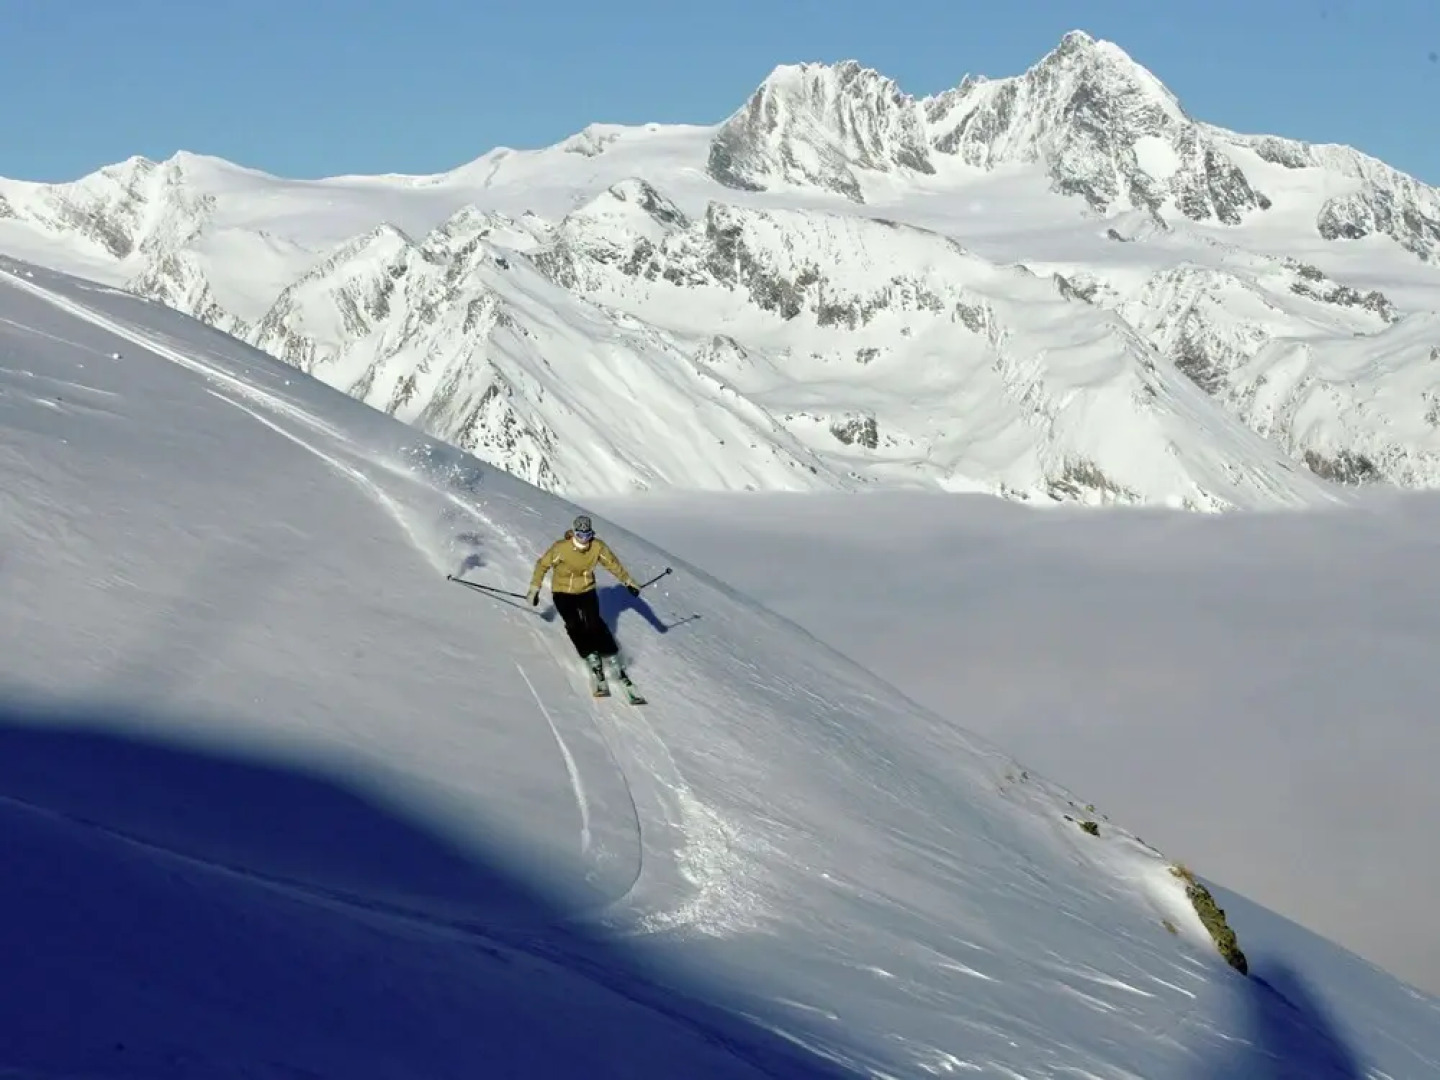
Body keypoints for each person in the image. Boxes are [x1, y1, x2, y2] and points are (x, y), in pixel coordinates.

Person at [527, 515, 641, 679]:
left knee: (594, 622)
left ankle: (611, 655)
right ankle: (590, 655)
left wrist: (628, 582)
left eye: (587, 535)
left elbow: (613, 564)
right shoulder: (561, 548)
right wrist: (534, 589)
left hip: (586, 589)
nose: (584, 540)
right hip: (562, 591)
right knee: (574, 624)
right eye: (580, 535)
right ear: (574, 534)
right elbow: (542, 565)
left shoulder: (597, 547)